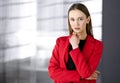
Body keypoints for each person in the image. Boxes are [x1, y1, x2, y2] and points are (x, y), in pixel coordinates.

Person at [48, 3, 103, 83]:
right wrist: (80, 76)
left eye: (80, 19)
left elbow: (85, 73)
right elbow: (52, 72)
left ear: (87, 19)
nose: (76, 24)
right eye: (72, 19)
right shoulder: (60, 42)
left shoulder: (97, 45)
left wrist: (75, 47)